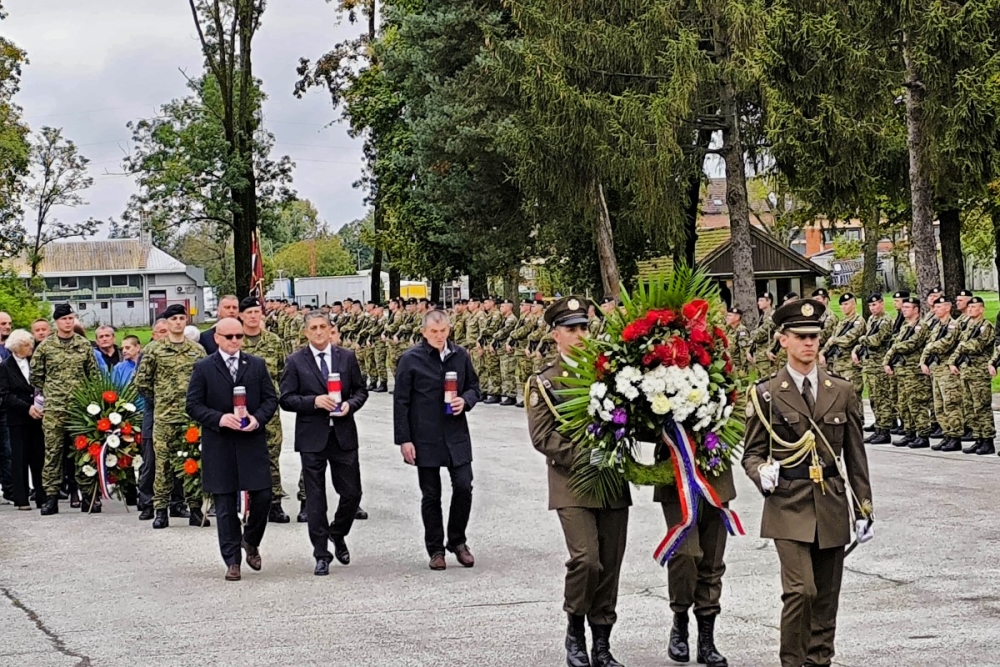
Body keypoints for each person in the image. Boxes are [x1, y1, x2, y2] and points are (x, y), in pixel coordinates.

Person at [742, 297, 874, 667]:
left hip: (830, 502)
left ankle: (819, 661)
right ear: (782, 339)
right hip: (788, 503)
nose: (809, 343)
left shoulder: (841, 390)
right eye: (800, 336)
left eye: (814, 336)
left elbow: (855, 455)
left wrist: (864, 508)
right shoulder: (766, 393)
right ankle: (792, 662)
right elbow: (751, 452)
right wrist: (760, 473)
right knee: (801, 591)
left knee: (826, 597)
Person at [526, 296, 630, 667]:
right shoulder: (546, 381)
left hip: (613, 482)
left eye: (584, 327)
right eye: (571, 329)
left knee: (610, 564)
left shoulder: (611, 374)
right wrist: (587, 457)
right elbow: (543, 437)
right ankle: (575, 629)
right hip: (571, 482)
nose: (580, 334)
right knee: (586, 560)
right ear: (556, 334)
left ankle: (602, 642)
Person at [186, 317, 278, 581]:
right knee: (225, 505)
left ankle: (250, 540)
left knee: (263, 496)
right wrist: (219, 419)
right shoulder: (203, 367)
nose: (235, 341)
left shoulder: (256, 365)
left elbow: (271, 399)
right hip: (220, 443)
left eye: (239, 336)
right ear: (217, 338)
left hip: (251, 440)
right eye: (229, 337)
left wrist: (258, 418)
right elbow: (192, 404)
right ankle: (232, 561)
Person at [279, 312, 368, 575]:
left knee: (352, 493)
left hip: (342, 434)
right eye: (313, 328)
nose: (319, 332)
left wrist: (350, 406)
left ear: (331, 330)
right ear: (306, 332)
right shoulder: (296, 361)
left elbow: (360, 391)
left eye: (323, 327)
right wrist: (313, 402)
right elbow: (286, 398)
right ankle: (321, 553)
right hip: (312, 437)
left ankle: (337, 533)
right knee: (315, 498)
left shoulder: (346, 357)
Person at [393, 309, 481, 570]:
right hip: (425, 435)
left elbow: (475, 387)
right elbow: (401, 402)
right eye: (434, 332)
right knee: (431, 494)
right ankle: (435, 548)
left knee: (464, 486)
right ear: (424, 332)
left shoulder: (460, 356)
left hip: (455, 433)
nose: (439, 336)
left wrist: (465, 401)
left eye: (443, 331)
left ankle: (457, 540)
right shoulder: (411, 360)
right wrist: (404, 440)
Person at [135, 304, 209, 529]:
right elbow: (142, 383)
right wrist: (160, 401)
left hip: (191, 417)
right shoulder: (154, 350)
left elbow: (206, 381)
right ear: (166, 324)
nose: (178, 322)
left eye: (181, 318)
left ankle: (195, 509)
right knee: (163, 465)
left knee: (192, 463)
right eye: (173, 319)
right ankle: (160, 510)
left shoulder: (197, 351)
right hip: (165, 417)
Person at [31, 304, 99, 515]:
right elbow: (35, 375)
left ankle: (88, 496)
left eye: (71, 318)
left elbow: (93, 375)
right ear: (56, 322)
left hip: (79, 409)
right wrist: (53, 391)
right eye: (64, 319)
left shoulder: (84, 345)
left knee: (83, 453)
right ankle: (50, 497)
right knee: (53, 453)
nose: (68, 322)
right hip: (55, 409)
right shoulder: (46, 346)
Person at [238, 296, 290, 523]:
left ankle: (274, 503)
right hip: (240, 410)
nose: (253, 316)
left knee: (271, 455)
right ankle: (245, 503)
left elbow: (281, 372)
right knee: (242, 456)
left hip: (268, 411)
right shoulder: (235, 341)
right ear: (241, 316)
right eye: (248, 312)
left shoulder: (274, 341)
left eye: (256, 312)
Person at [0, 329, 46, 510]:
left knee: (39, 457)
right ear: (18, 347)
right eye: (27, 344)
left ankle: (42, 496)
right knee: (19, 458)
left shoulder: (33, 362)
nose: (31, 347)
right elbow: (5, 394)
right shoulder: (5, 367)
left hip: (38, 416)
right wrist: (27, 408)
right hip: (18, 418)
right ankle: (21, 498)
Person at [949, 296, 996, 455]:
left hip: (979, 374)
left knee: (981, 407)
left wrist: (962, 346)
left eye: (974, 307)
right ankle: (978, 438)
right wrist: (953, 362)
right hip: (966, 372)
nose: (970, 310)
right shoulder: (968, 327)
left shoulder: (985, 327)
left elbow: (976, 346)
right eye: (969, 307)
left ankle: (988, 440)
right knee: (969, 408)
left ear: (982, 309)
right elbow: (959, 347)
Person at [882, 296, 932, 448]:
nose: (904, 310)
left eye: (907, 307)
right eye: (903, 307)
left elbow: (911, 344)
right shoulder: (905, 326)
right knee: (903, 404)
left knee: (917, 403)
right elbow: (895, 344)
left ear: (916, 309)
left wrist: (895, 348)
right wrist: (887, 360)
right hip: (902, 370)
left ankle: (923, 435)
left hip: (913, 372)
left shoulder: (921, 326)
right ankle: (909, 432)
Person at [919, 295, 963, 452]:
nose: (935, 309)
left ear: (947, 308)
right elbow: (928, 344)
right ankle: (947, 434)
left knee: (951, 404)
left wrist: (929, 347)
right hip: (936, 371)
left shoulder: (953, 326)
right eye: (935, 307)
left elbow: (944, 345)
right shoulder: (937, 326)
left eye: (939, 307)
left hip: (947, 372)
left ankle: (956, 436)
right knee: (939, 406)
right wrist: (924, 361)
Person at [853, 294, 894, 444]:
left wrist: (862, 339)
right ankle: (878, 427)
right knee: (874, 399)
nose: (872, 308)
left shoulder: (885, 321)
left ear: (882, 304)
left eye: (875, 305)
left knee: (882, 398)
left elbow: (876, 341)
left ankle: (885, 430)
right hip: (870, 366)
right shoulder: (872, 320)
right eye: (870, 306)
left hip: (879, 365)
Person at [819, 293, 864, 404]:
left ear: (854, 305)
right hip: (837, 365)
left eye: (846, 304)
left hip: (850, 367)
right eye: (842, 305)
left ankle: (858, 420)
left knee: (853, 397)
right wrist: (823, 352)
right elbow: (830, 339)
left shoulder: (858, 321)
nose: (843, 307)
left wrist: (835, 340)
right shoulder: (842, 322)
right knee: (840, 398)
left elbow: (849, 339)